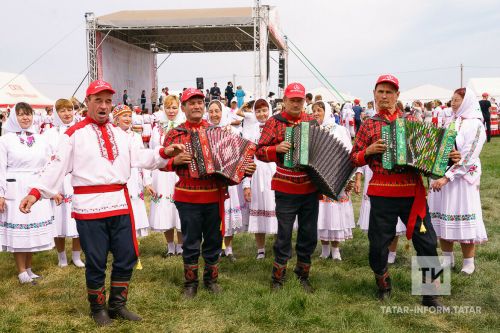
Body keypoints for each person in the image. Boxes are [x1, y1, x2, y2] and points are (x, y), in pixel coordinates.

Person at [19, 80, 184, 327]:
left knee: (127, 255)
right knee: (96, 259)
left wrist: (164, 153)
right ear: (87, 103)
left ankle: (117, 305)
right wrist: (35, 192)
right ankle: (98, 309)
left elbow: (141, 157)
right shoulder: (73, 135)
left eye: (108, 101)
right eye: (98, 100)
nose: (104, 106)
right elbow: (57, 165)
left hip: (119, 202)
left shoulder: (123, 134)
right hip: (89, 206)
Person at [350, 75, 461, 309]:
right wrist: (368, 151)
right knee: (378, 246)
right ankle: (384, 286)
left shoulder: (411, 119)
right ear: (374, 93)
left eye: (389, 92)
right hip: (381, 194)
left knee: (428, 243)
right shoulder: (369, 123)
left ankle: (430, 295)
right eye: (380, 91)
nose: (384, 96)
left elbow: (433, 157)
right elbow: (353, 157)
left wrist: (449, 158)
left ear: (397, 96)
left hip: (412, 193)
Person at [162, 88, 256, 299]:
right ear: (183, 107)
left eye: (199, 103)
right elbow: (161, 163)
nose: (196, 106)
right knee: (191, 240)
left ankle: (211, 280)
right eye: (191, 103)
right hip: (187, 195)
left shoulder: (218, 132)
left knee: (214, 239)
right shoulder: (174, 133)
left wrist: (244, 169)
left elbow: (232, 165)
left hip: (214, 194)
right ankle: (191, 284)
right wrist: (172, 162)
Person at [256, 83, 317, 293]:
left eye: (299, 100)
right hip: (285, 186)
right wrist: (275, 149)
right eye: (292, 100)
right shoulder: (274, 121)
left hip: (309, 187)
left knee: (308, 234)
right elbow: (259, 150)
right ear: (284, 100)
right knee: (283, 234)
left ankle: (303, 275)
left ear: (304, 102)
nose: (296, 104)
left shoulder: (311, 121)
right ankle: (278, 279)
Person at [428, 87, 487, 276]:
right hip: (443, 176)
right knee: (443, 215)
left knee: (463, 212)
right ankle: (448, 260)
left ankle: (468, 263)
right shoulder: (449, 122)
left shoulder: (476, 125)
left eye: (457, 100)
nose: (452, 104)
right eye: (451, 100)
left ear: (467, 101)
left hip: (463, 179)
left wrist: (448, 176)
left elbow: (469, 156)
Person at [0, 102, 57, 285]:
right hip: (15, 187)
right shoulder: (5, 140)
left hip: (35, 187)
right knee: (20, 228)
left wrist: (50, 190)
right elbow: (0, 168)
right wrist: (0, 193)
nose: (25, 118)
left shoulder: (41, 139)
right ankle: (21, 271)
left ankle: (30, 269)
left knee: (31, 228)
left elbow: (48, 165)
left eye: (28, 114)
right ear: (13, 117)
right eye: (21, 114)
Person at [242, 98, 296, 260]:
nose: (261, 114)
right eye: (258, 111)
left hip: (275, 171)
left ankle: (279, 246)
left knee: (277, 210)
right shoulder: (250, 131)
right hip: (257, 174)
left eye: (264, 110)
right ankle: (260, 249)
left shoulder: (276, 128)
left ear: (270, 110)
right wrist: (247, 183)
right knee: (258, 209)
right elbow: (247, 158)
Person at [43, 99, 85, 268]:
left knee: (79, 216)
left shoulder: (81, 130)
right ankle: (61, 256)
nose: (67, 113)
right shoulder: (48, 134)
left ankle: (76, 256)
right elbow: (46, 159)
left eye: (70, 109)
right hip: (58, 179)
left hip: (77, 177)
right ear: (55, 113)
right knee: (58, 217)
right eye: (62, 111)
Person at [312, 101, 354, 261]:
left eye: (319, 110)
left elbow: (349, 153)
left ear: (327, 111)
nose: (316, 113)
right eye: (313, 111)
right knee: (322, 213)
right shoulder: (313, 131)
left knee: (335, 213)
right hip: (319, 178)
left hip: (337, 176)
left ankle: (335, 251)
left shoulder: (340, 130)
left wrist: (348, 178)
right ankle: (324, 250)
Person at [207, 100, 248, 261]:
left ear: (222, 112)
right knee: (213, 215)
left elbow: (240, 155)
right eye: (211, 111)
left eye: (217, 111)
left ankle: (229, 249)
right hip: (211, 180)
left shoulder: (232, 130)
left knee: (229, 213)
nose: (214, 114)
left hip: (229, 179)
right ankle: (215, 247)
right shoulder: (205, 131)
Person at [113, 105, 154, 251]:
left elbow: (142, 159)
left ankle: (131, 243)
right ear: (116, 119)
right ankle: (120, 242)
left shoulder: (136, 137)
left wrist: (147, 182)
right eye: (124, 116)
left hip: (133, 178)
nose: (128, 119)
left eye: (129, 116)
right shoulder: (112, 135)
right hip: (118, 177)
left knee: (133, 206)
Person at [149, 96, 185, 257]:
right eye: (168, 107)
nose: (171, 111)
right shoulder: (157, 128)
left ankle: (181, 246)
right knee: (165, 207)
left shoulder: (183, 127)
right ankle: (170, 247)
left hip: (178, 171)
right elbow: (152, 150)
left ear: (179, 109)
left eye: (174, 107)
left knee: (180, 209)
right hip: (162, 171)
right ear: (163, 108)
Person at [354, 165, 406, 264]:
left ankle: (391, 253)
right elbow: (360, 163)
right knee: (375, 223)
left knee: (394, 222)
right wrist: (358, 180)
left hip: (390, 177)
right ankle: (378, 251)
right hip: (372, 181)